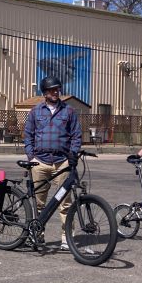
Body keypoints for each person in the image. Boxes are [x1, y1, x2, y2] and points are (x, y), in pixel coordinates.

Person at [23, 76, 82, 250]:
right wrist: (31, 156)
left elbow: (76, 136)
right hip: (39, 163)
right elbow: (28, 136)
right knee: (40, 203)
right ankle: (38, 235)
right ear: (45, 92)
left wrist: (73, 155)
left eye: (57, 89)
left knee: (65, 203)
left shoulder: (69, 111)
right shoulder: (35, 112)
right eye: (52, 90)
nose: (56, 92)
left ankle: (66, 238)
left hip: (62, 162)